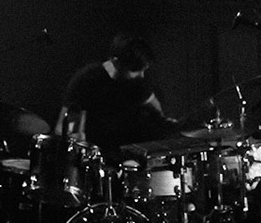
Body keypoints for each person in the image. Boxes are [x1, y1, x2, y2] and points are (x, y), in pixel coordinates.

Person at [59, 33, 178, 161]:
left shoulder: (136, 82)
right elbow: (65, 127)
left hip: (131, 154)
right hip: (99, 156)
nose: (142, 75)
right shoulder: (87, 79)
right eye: (136, 70)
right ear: (116, 62)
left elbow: (155, 107)